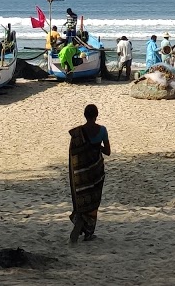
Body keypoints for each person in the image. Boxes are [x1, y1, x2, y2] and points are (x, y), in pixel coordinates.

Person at [67, 104, 111, 244]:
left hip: (82, 172)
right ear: (96, 115)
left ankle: (80, 221)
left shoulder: (78, 132)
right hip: (96, 171)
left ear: (85, 115)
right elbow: (107, 152)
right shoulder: (102, 130)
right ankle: (89, 232)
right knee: (94, 200)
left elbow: (73, 153)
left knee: (83, 197)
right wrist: (97, 146)